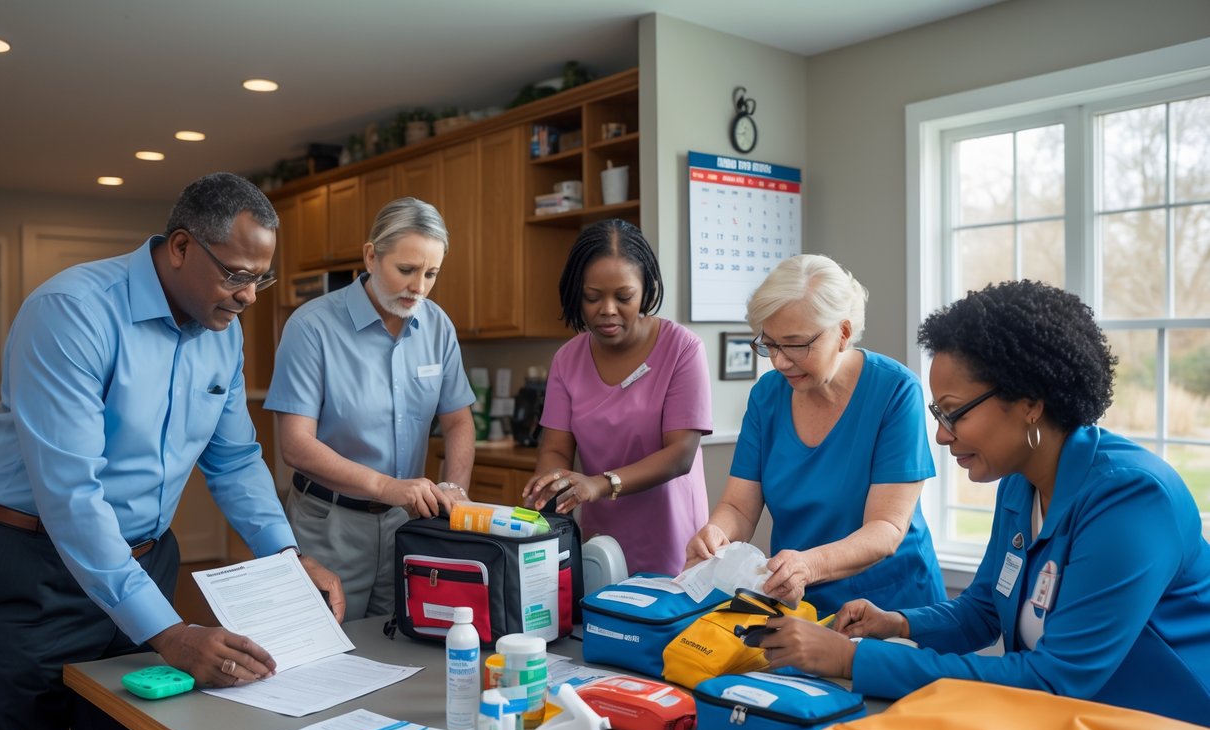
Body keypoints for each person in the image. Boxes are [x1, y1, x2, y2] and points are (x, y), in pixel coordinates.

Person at [0, 172, 346, 730]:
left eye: (259, 279)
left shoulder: (223, 329)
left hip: (148, 562)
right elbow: (72, 495)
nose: (248, 297)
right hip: (36, 574)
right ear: (181, 246)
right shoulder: (71, 312)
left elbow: (235, 458)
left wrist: (286, 557)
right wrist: (169, 630)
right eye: (237, 275)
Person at [761, 280, 1210, 726]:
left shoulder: (1130, 499)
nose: (940, 434)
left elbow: (1054, 679)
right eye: (938, 414)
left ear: (1030, 402)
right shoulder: (1019, 485)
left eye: (954, 413)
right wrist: (896, 624)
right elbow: (981, 612)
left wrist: (853, 661)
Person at [685, 254, 945, 616]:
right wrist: (716, 533)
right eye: (770, 343)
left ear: (843, 332)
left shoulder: (896, 391)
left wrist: (809, 565)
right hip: (798, 604)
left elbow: (886, 528)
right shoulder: (767, 396)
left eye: (795, 344)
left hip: (892, 607)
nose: (779, 361)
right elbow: (738, 506)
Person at [266, 197, 476, 620]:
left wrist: (454, 491)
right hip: (328, 526)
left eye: (431, 273)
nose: (419, 286)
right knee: (324, 657)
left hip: (408, 527)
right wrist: (386, 486)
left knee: (403, 650)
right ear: (371, 256)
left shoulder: (437, 326)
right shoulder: (311, 327)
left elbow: (458, 422)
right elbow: (295, 445)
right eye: (406, 269)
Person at [522, 219, 711, 575]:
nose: (607, 309)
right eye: (592, 297)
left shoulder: (682, 349)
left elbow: (680, 454)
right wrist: (546, 489)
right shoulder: (567, 359)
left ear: (645, 289)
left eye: (623, 297)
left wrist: (599, 484)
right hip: (602, 541)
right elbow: (557, 449)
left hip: (672, 540)